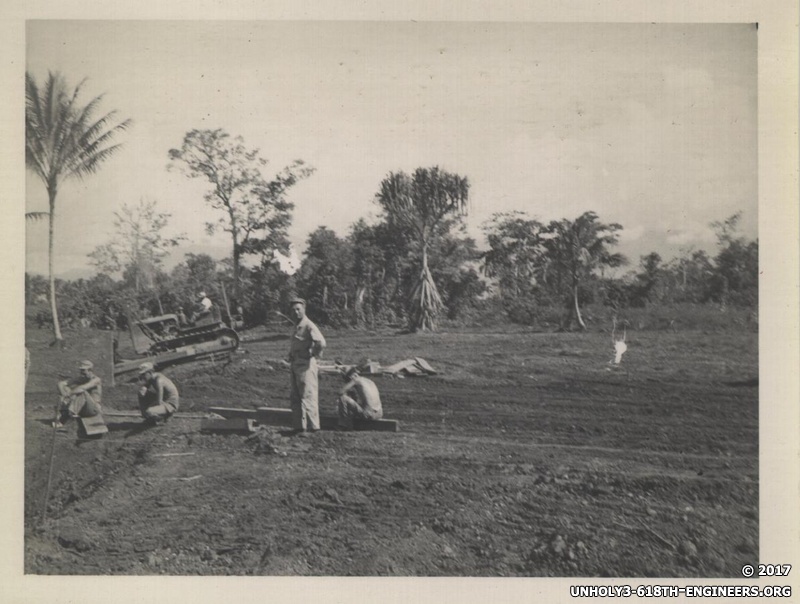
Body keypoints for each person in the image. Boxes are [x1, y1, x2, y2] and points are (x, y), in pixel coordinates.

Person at [287, 298, 326, 436]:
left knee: (308, 396)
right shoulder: (296, 326)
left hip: (306, 366)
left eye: (298, 309)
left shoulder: (309, 325)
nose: (296, 312)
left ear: (304, 309)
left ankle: (312, 427)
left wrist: (313, 353)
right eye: (293, 310)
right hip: (295, 364)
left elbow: (321, 342)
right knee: (296, 397)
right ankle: (299, 427)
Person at [54, 360, 103, 428]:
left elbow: (82, 388)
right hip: (82, 409)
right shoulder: (82, 378)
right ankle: (65, 411)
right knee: (67, 389)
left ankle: (65, 417)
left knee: (81, 392)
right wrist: (64, 394)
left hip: (93, 409)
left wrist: (69, 394)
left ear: (90, 370)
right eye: (81, 370)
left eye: (83, 370)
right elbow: (61, 383)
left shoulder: (96, 380)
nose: (81, 372)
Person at [337, 366, 383, 430]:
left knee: (343, 398)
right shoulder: (369, 381)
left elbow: (340, 392)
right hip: (379, 414)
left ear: (350, 377)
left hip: (369, 414)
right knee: (357, 400)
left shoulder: (355, 380)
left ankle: (345, 425)